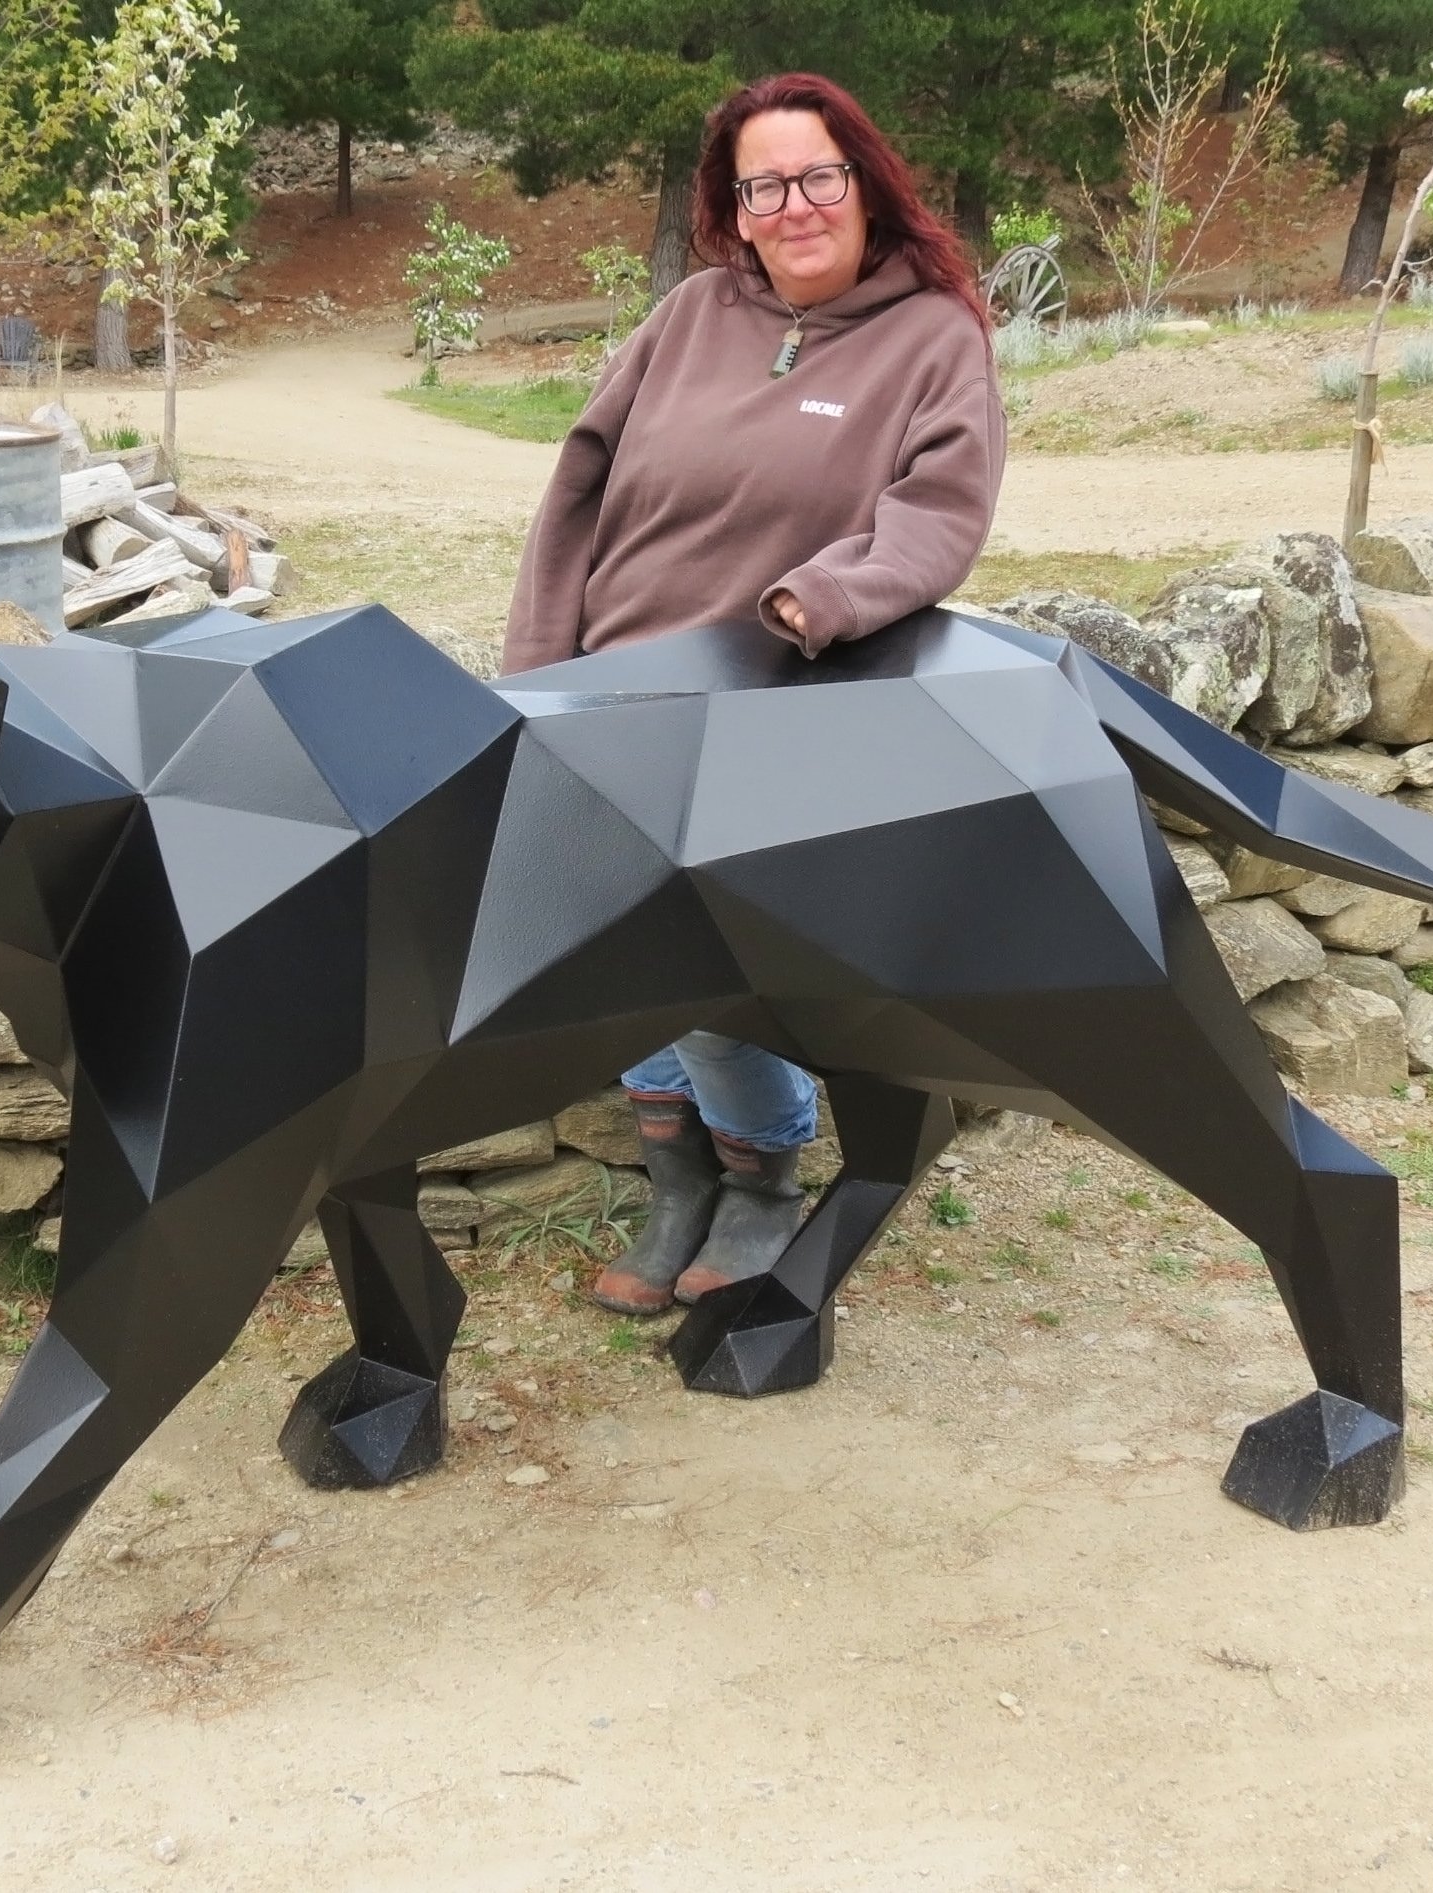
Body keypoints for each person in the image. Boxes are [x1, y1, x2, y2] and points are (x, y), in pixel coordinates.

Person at [500, 71, 1005, 1316]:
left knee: (713, 979)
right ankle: (679, 1184)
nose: (794, 206)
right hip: (609, 693)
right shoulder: (688, 314)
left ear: (864, 183)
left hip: (767, 709)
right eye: (762, 186)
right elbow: (576, 493)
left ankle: (763, 1180)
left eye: (817, 176)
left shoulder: (931, 336)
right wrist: (540, 678)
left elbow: (939, 513)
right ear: (733, 207)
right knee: (611, 955)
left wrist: (820, 597)